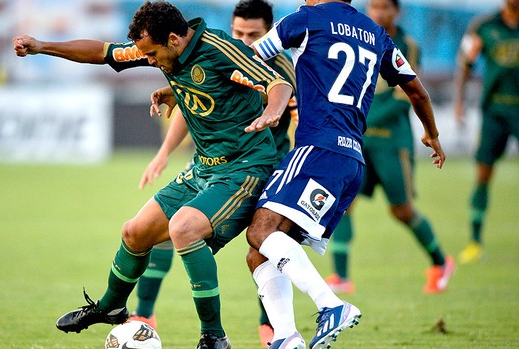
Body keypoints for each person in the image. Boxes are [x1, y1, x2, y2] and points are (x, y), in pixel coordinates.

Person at [13, 1, 293, 348]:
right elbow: (103, 52)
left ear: (174, 39)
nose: (148, 60)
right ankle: (110, 307)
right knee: (134, 232)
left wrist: (273, 111)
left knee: (183, 228)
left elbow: (277, 82)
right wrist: (42, 46)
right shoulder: (162, 47)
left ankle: (214, 337)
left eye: (152, 54)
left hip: (246, 167)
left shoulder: (220, 48)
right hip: (203, 168)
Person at [244, 0, 446, 348]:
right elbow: (417, 90)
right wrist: (432, 134)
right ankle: (286, 338)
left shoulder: (305, 19)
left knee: (260, 231)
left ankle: (331, 305)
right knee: (262, 252)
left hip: (316, 150)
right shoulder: (376, 34)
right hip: (351, 159)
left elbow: (249, 57)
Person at [128, 0, 298, 346]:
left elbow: (299, 120)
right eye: (239, 32)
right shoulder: (223, 54)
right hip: (216, 165)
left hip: (269, 167)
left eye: (254, 34)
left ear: (270, 32)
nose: (245, 40)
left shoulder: (280, 69)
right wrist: (163, 155)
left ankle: (273, 330)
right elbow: (191, 105)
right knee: (164, 229)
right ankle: (144, 315)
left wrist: (294, 172)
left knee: (263, 247)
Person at [324, 0, 455, 296]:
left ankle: (440, 262)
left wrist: (356, 121)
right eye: (373, 7)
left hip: (391, 143)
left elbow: (403, 96)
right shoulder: (356, 36)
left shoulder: (407, 45)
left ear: (397, 11)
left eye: (385, 7)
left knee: (402, 211)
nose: (379, 13)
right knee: (344, 205)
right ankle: (341, 276)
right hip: (359, 140)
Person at [454, 0, 519, 265]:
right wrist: (459, 103)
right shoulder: (483, 26)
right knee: (483, 173)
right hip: (495, 111)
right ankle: (475, 243)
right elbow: (465, 63)